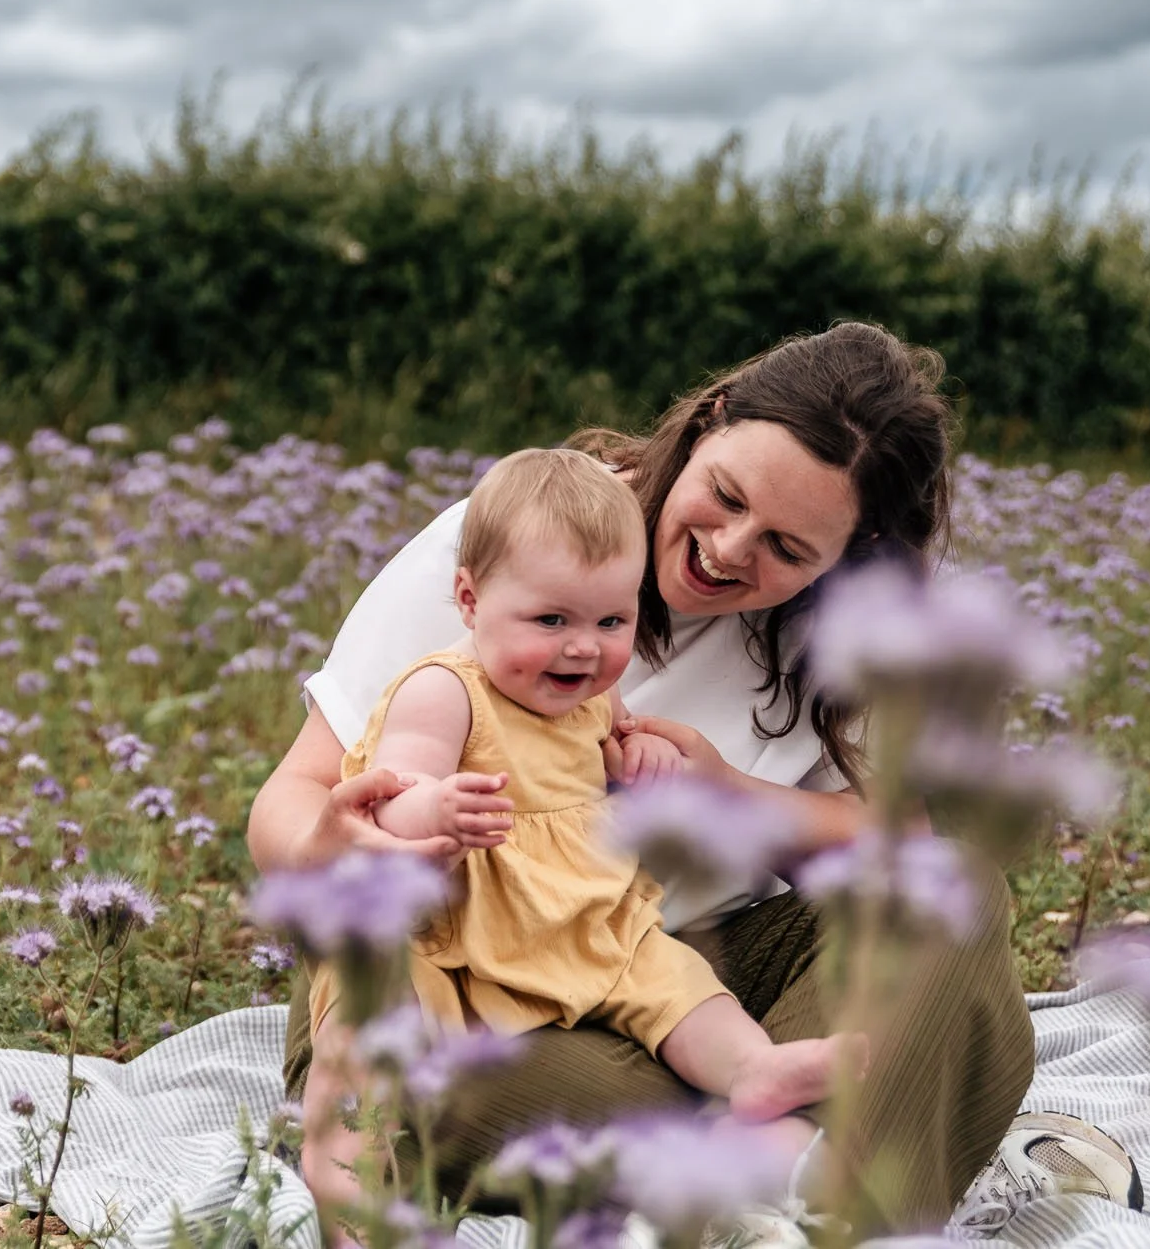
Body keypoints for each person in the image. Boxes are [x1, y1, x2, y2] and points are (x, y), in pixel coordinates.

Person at [249, 322, 1075, 1233]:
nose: (728, 549)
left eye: (788, 549)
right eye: (725, 496)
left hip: (682, 975)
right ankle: (836, 1160)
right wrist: (333, 840)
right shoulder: (522, 534)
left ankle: (796, 1147)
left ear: (853, 551)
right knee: (482, 1089)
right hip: (461, 978)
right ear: (710, 420)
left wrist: (726, 792)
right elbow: (291, 797)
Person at [296, 448, 866, 1227]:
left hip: (575, 919)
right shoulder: (443, 690)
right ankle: (347, 1194)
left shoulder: (595, 696)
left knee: (674, 979)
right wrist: (434, 810)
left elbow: (610, 753)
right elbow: (387, 799)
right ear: (470, 598)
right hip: (446, 935)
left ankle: (754, 1068)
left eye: (611, 621)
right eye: (551, 620)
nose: (584, 647)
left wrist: (649, 756)